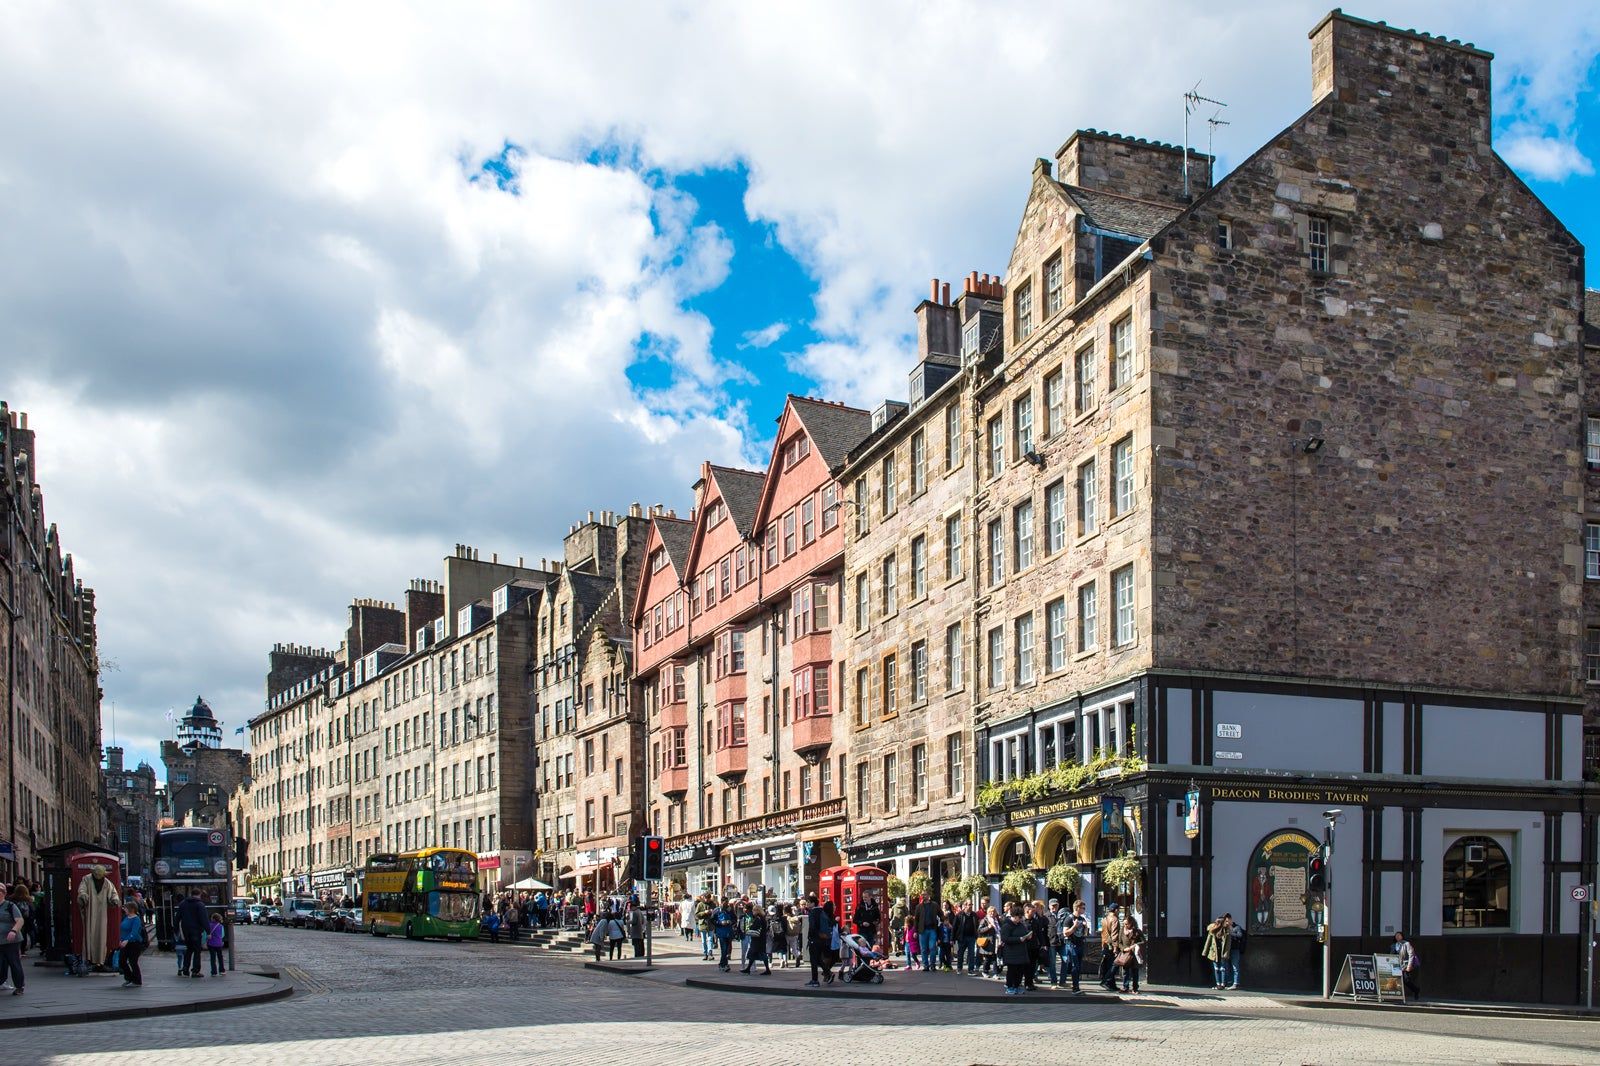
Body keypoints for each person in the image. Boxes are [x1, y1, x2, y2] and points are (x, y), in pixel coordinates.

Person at [998, 902, 1034, 996]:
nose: (1020, 919)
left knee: (1020, 971)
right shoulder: (1007, 925)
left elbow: (1024, 933)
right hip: (1011, 953)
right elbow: (1005, 939)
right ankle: (1010, 987)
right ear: (1014, 916)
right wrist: (1019, 939)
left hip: (1021, 952)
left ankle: (1017, 986)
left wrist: (1027, 937)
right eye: (1019, 917)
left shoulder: (1020, 925)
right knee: (1012, 971)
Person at [1, 882, 29, 995]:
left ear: (3, 893)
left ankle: (19, 986)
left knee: (14, 963)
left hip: (11, 941)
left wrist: (13, 931)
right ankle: (2, 981)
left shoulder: (10, 906)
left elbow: (20, 920)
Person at [177, 889, 208, 978]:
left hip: (186, 931)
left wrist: (176, 930)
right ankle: (195, 971)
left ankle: (185, 969)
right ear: (199, 894)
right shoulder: (200, 905)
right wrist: (208, 931)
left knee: (188, 950)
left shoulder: (183, 904)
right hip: (196, 931)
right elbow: (204, 919)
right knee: (197, 951)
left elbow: (177, 918)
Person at [1061, 899, 1090, 994]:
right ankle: (1075, 987)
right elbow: (1065, 933)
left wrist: (1085, 927)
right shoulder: (1069, 918)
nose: (1084, 910)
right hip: (1071, 945)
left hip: (1080, 944)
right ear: (1077, 908)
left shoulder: (1082, 919)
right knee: (1075, 966)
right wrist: (1074, 926)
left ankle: (1077, 985)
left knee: (1079, 966)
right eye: (1083, 908)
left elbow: (1085, 934)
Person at [805, 896, 835, 987]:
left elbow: (812, 927)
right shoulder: (822, 911)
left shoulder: (813, 913)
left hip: (815, 939)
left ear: (813, 903)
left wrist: (810, 937)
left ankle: (815, 980)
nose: (807, 904)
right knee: (818, 958)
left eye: (809, 902)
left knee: (813, 960)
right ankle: (828, 973)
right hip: (823, 939)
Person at [118, 903, 146, 988]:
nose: (124, 910)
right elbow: (122, 929)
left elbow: (134, 932)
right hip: (124, 943)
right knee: (121, 961)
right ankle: (129, 977)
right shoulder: (126, 918)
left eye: (126, 908)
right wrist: (120, 940)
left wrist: (127, 940)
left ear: (131, 909)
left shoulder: (136, 919)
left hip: (134, 943)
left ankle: (137, 980)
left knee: (133, 962)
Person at [1117, 911, 1144, 994]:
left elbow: (1143, 941)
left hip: (1134, 954)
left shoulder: (1137, 931)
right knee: (1125, 972)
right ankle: (1125, 987)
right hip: (1125, 954)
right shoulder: (1122, 931)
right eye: (1124, 924)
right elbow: (1119, 942)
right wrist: (1123, 949)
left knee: (1135, 972)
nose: (1125, 926)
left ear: (1131, 923)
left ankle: (1135, 988)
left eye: (1127, 924)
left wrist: (1134, 945)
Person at [740, 905, 770, 975]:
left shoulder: (758, 918)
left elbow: (756, 927)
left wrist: (751, 927)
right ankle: (748, 969)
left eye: (754, 910)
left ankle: (767, 969)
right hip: (761, 939)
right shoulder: (762, 918)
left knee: (755, 953)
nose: (752, 912)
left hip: (758, 939)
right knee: (755, 954)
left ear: (757, 911)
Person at [1098, 901, 1121, 991]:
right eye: (1118, 910)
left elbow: (1103, 933)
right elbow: (1114, 934)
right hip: (1111, 945)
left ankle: (1112, 984)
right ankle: (1106, 981)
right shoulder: (1115, 919)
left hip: (1105, 944)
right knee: (1115, 964)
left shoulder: (1104, 919)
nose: (1118, 911)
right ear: (1115, 910)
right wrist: (1115, 947)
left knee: (1108, 965)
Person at [1202, 915, 1230, 989]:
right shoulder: (1212, 930)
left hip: (1222, 952)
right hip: (1214, 952)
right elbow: (1208, 941)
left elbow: (1228, 944)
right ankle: (1218, 984)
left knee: (1223, 968)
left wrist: (1226, 953)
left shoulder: (1226, 931)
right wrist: (1205, 951)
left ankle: (1223, 984)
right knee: (1216, 968)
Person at [914, 894, 940, 973]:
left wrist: (946, 922)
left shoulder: (935, 905)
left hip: (932, 929)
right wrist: (915, 931)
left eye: (925, 895)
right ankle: (926, 965)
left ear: (929, 896)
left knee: (932, 947)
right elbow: (916, 919)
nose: (923, 897)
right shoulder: (919, 907)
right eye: (922, 896)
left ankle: (932, 964)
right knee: (924, 949)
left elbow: (941, 914)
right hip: (922, 930)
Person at [1393, 931, 1421, 1002]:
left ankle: (1416, 990)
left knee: (1406, 980)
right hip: (1396, 965)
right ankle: (1397, 996)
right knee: (1396, 980)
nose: (1397, 937)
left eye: (1399, 935)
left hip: (1404, 965)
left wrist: (1409, 966)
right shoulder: (1395, 945)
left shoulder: (1406, 944)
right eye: (1396, 936)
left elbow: (1411, 954)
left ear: (1402, 936)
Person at [711, 898, 736, 972]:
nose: (726, 904)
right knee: (724, 949)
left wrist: (730, 922)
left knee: (727, 950)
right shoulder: (717, 910)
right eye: (725, 902)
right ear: (721, 902)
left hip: (729, 932)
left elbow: (734, 918)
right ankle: (724, 964)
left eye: (727, 902)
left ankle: (723, 964)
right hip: (721, 932)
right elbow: (712, 920)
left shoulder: (730, 910)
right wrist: (720, 923)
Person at [954, 902, 979, 975]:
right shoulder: (959, 915)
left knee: (971, 953)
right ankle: (959, 968)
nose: (971, 906)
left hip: (972, 937)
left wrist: (977, 936)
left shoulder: (974, 915)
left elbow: (976, 925)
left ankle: (970, 970)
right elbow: (955, 927)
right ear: (965, 906)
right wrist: (952, 938)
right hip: (962, 937)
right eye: (969, 905)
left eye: (971, 905)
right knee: (960, 953)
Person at [977, 904, 1001, 978]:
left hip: (996, 941)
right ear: (988, 912)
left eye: (994, 912)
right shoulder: (985, 920)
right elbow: (979, 930)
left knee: (995, 958)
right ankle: (985, 971)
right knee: (988, 958)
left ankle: (995, 973)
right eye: (990, 912)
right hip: (988, 941)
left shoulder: (997, 920)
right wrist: (988, 927)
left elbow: (1000, 929)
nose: (992, 913)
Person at [1225, 912, 1244, 990]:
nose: (1226, 922)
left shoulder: (1237, 927)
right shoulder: (1225, 928)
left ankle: (1236, 983)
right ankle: (1229, 982)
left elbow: (1240, 935)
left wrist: (1231, 933)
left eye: (1227, 921)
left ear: (1230, 919)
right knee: (1227, 966)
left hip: (1235, 949)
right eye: (1225, 921)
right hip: (1227, 950)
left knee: (1235, 966)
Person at [206, 912, 226, 976]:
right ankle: (222, 970)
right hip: (219, 944)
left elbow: (205, 934)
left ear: (213, 919)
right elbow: (222, 935)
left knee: (213, 958)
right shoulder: (221, 926)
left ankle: (214, 972)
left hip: (211, 944)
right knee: (220, 957)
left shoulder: (209, 925)